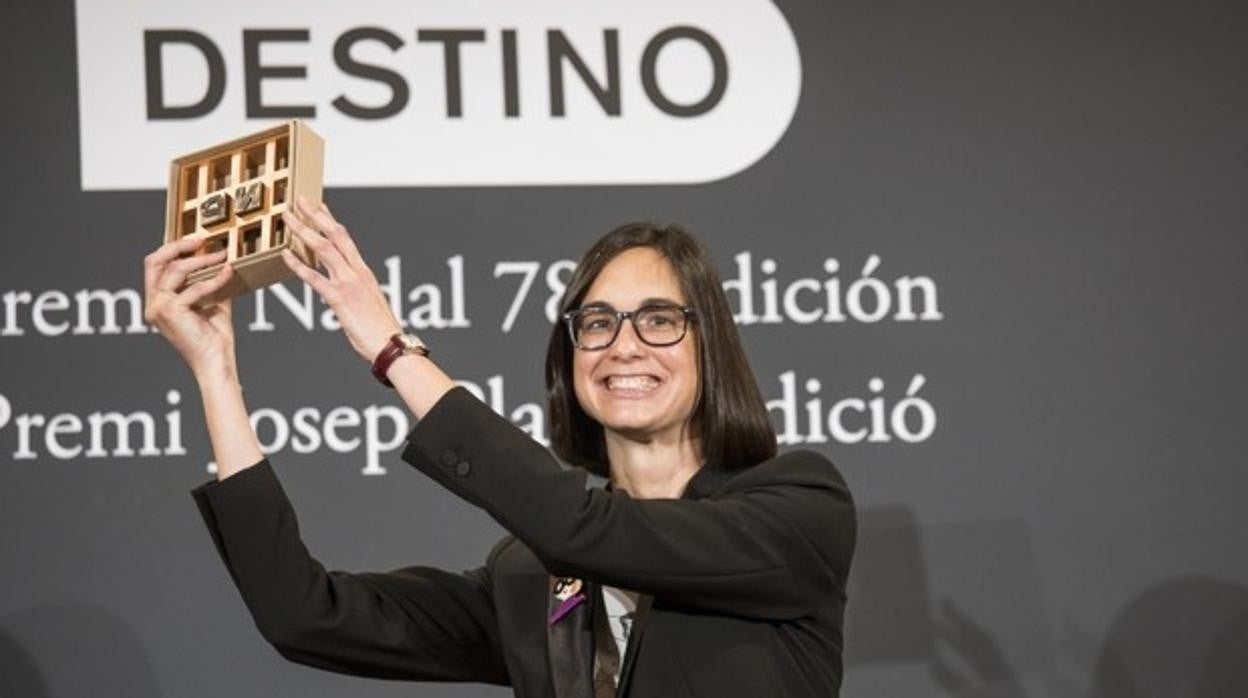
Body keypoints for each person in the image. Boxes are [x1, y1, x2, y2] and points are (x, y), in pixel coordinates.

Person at [143, 198, 857, 697]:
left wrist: (394, 353)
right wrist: (216, 368)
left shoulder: (797, 508)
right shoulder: (529, 578)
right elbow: (305, 615)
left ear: (712, 348)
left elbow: (584, 529)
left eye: (660, 320)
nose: (625, 346)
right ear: (570, 357)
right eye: (598, 323)